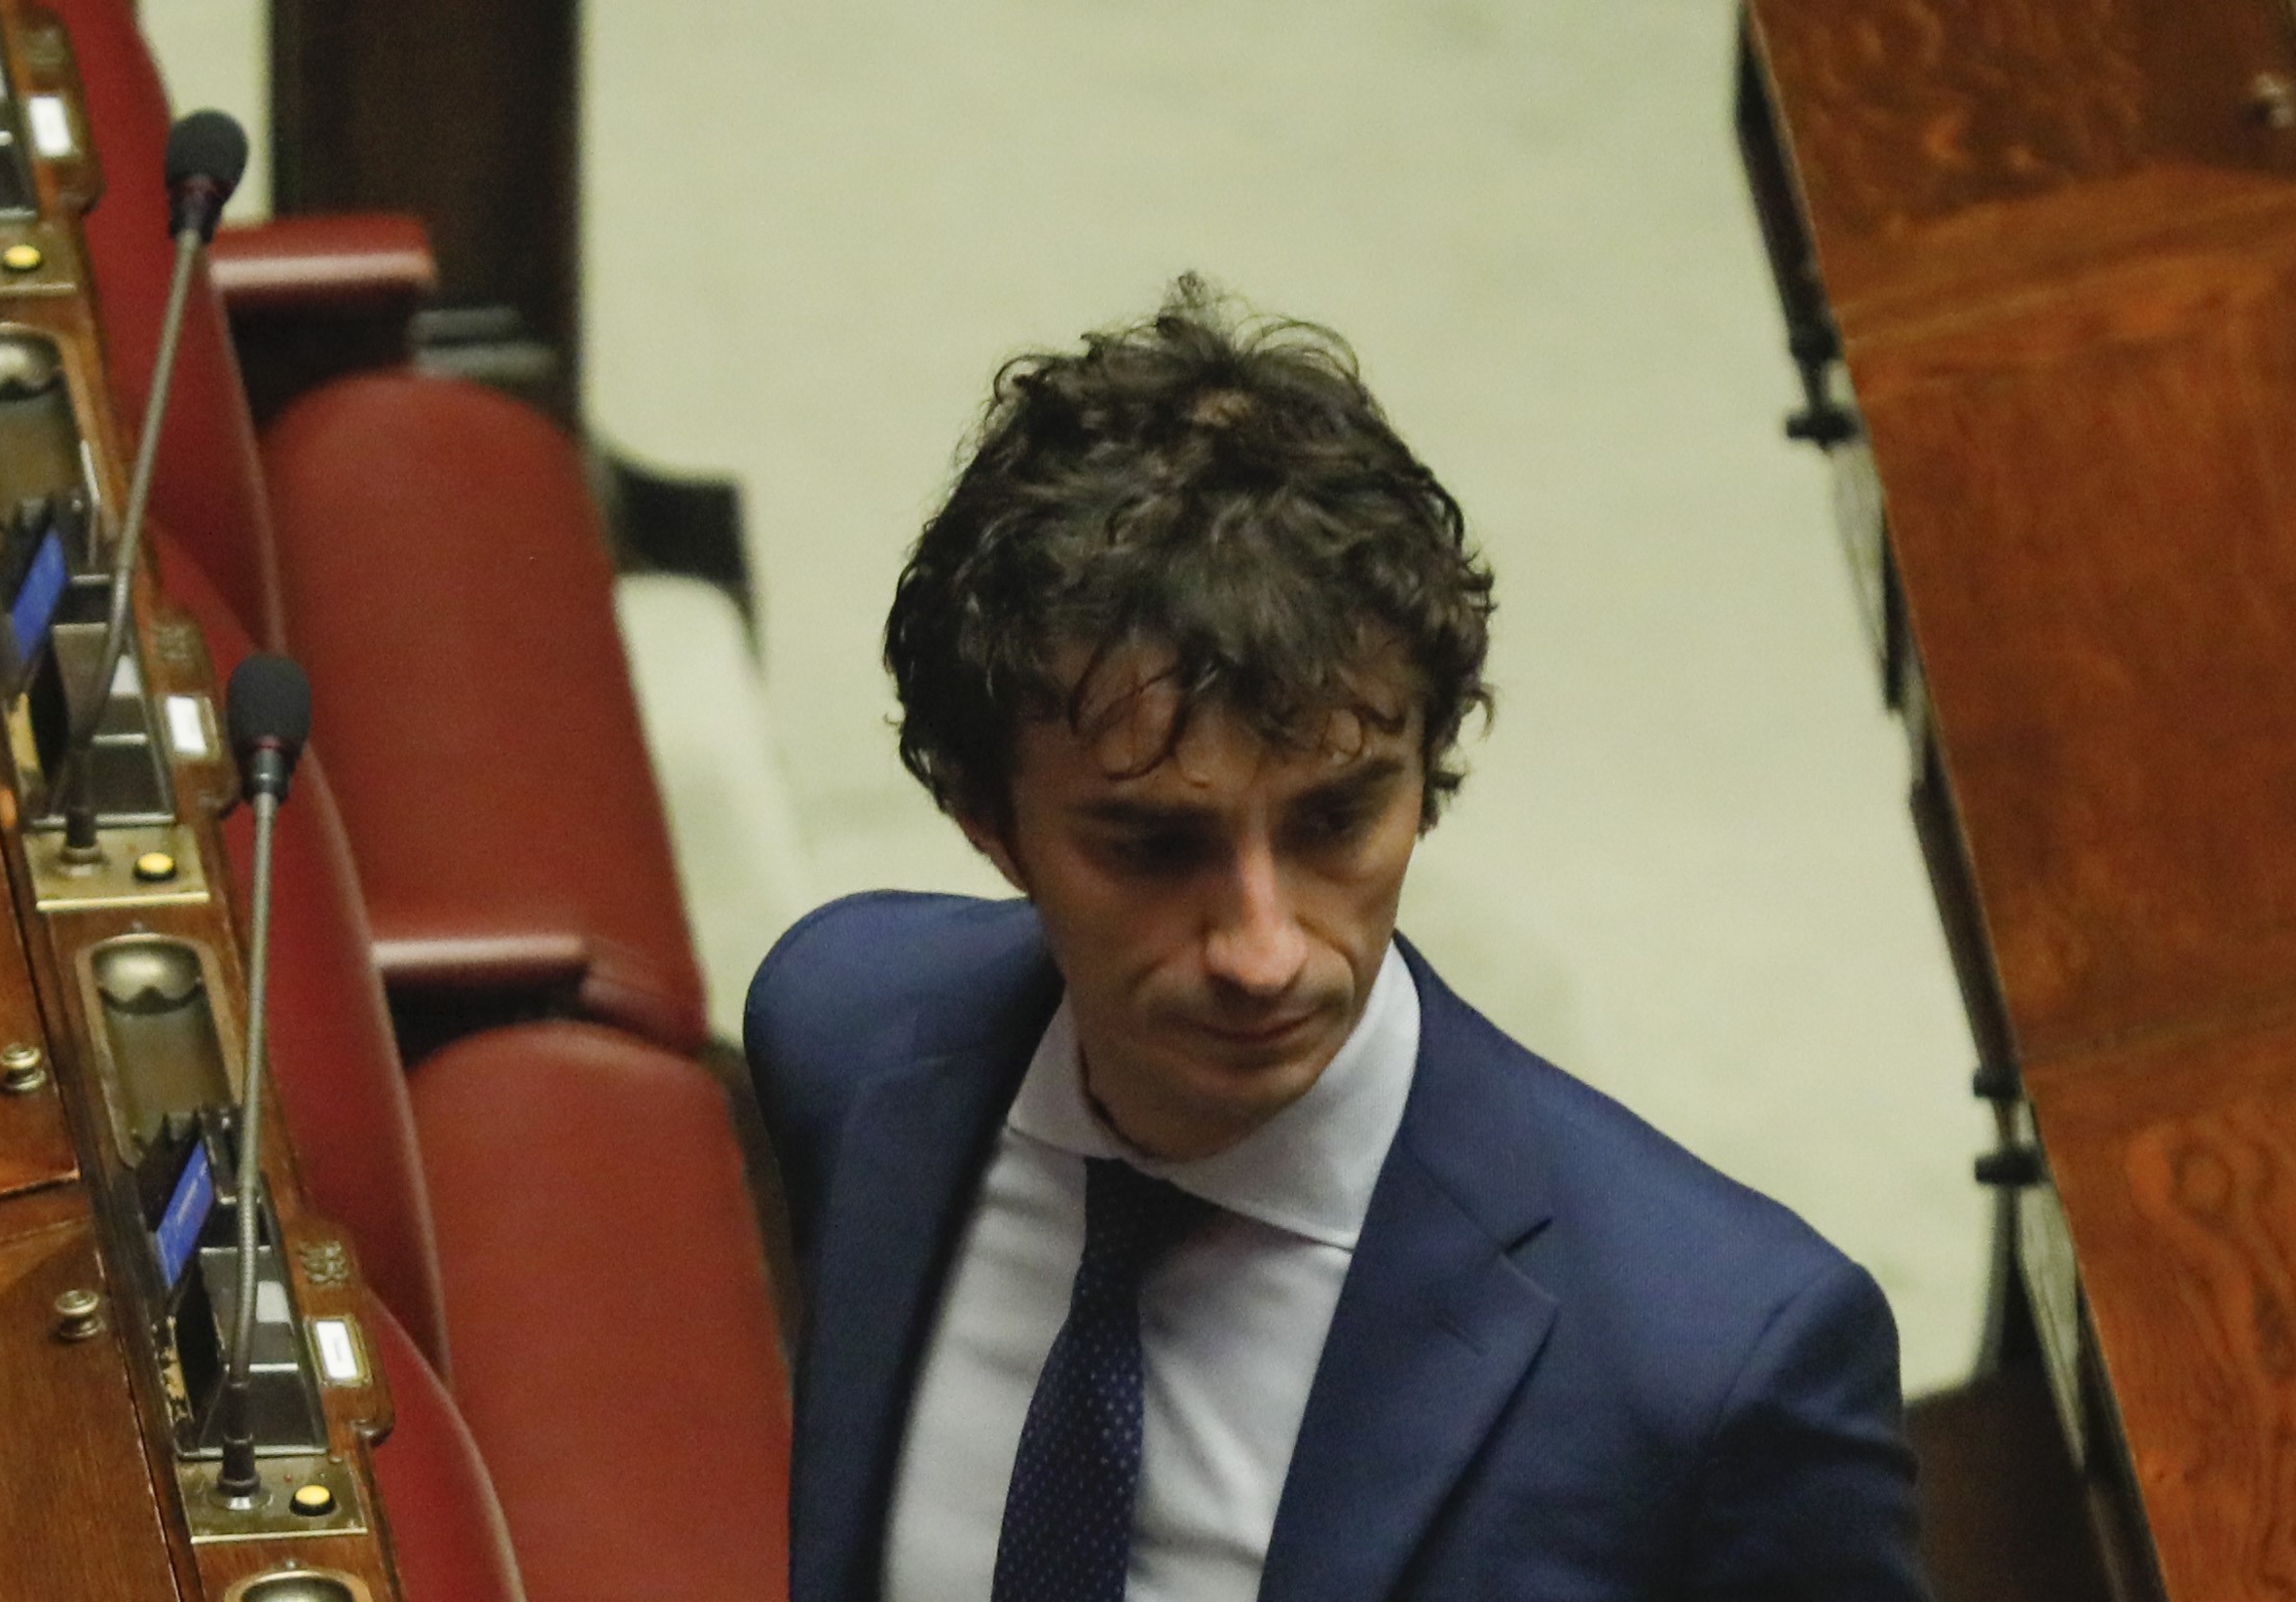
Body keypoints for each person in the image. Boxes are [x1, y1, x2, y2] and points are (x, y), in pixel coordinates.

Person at [747, 279, 1925, 1602]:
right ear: (987, 821)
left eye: (1336, 819)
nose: (1266, 951)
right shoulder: (848, 1040)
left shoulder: (1715, 1362)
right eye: (1153, 845)